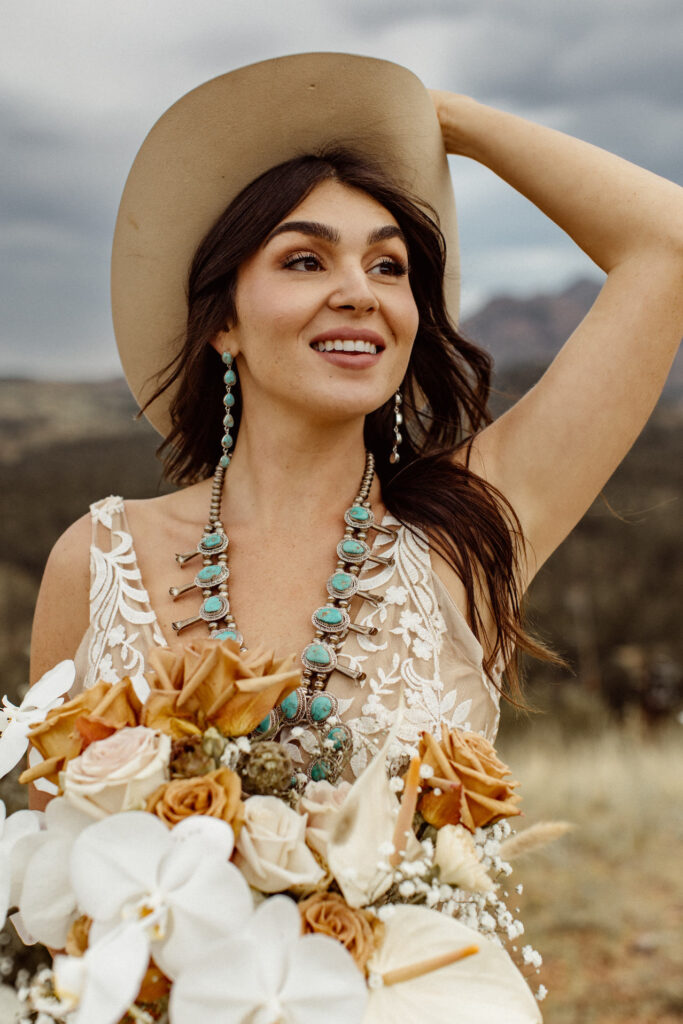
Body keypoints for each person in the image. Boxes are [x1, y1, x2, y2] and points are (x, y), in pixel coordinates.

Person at [28, 53, 683, 799]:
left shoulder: (468, 533)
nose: (357, 292)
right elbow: (56, 867)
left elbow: (667, 241)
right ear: (222, 324)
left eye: (388, 266)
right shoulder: (94, 562)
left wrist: (442, 119)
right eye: (305, 260)